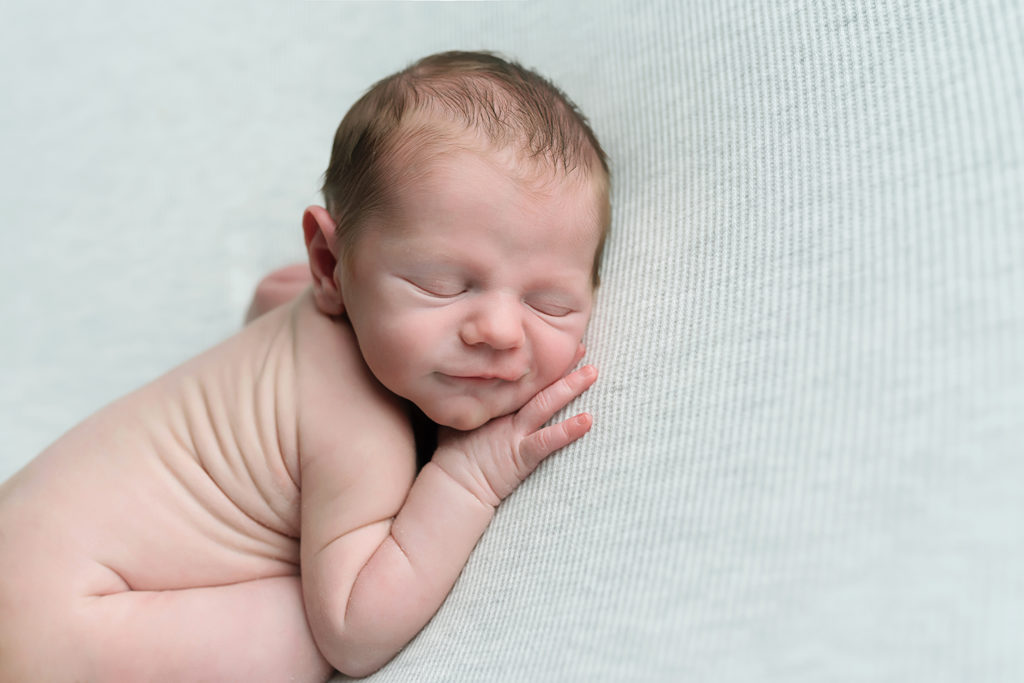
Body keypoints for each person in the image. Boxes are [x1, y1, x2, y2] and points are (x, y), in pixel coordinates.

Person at [0, 50, 610, 681]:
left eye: (549, 303)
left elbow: (270, 293)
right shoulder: (355, 424)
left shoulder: (305, 308)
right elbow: (355, 631)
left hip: (24, 539)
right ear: (330, 265)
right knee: (309, 644)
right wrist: (468, 477)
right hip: (62, 623)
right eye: (441, 284)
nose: (500, 331)